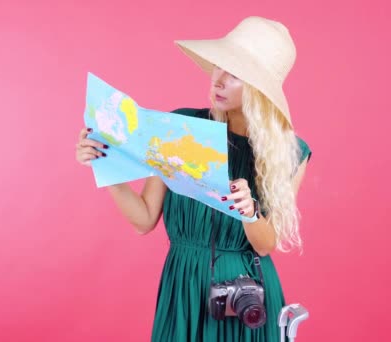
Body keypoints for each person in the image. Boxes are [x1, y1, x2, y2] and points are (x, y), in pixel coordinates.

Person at [75, 16, 311, 342]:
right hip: (184, 285)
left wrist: (248, 211)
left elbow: (265, 244)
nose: (218, 80)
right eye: (219, 66)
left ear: (260, 90)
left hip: (243, 293)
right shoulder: (181, 128)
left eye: (236, 74)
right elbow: (144, 219)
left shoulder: (288, 152)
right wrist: (106, 168)